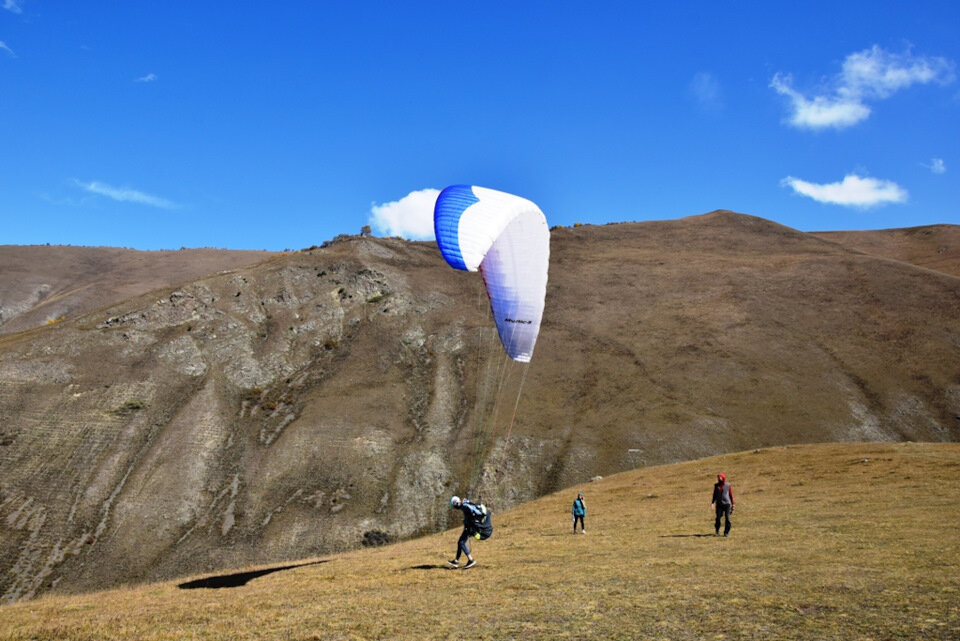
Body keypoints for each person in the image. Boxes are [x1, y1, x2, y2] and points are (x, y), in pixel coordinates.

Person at [447, 496, 484, 569]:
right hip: (469, 526)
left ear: (456, 504)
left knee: (461, 543)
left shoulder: (465, 506)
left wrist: (470, 525)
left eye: (455, 506)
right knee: (460, 542)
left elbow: (472, 516)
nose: (455, 508)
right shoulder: (465, 504)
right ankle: (456, 561)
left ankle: (471, 560)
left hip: (470, 527)